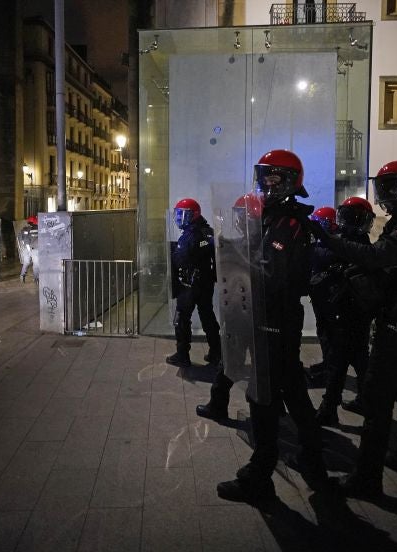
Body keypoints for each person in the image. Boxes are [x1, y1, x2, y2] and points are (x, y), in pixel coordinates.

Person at [311, 160, 397, 498]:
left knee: (378, 399)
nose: (386, 195)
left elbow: (375, 256)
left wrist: (329, 240)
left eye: (390, 188)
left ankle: (367, 478)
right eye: (383, 188)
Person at [217, 149, 328, 503]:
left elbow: (272, 273)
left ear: (292, 181)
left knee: (263, 398)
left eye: (276, 177)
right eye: (264, 176)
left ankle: (259, 476)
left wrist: (237, 262)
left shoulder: (288, 223)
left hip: (275, 320)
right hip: (272, 318)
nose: (268, 183)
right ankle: (313, 462)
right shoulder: (275, 218)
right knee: (293, 392)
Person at [196, 193, 262, 421]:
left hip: (244, 314)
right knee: (256, 365)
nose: (238, 220)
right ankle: (265, 407)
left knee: (230, 365)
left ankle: (220, 405)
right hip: (253, 314)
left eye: (241, 215)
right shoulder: (256, 240)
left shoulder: (256, 243)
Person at [312, 196, 377, 425]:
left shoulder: (341, 244)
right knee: (359, 359)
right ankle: (365, 401)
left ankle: (329, 408)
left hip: (343, 313)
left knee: (337, 361)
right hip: (357, 313)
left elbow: (320, 256)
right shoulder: (367, 247)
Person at [166, 198, 221, 369]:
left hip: (189, 286)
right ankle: (216, 353)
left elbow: (181, 258)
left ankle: (182, 355)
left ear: (194, 215)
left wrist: (173, 253)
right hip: (205, 284)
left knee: (182, 319)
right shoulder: (208, 232)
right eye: (179, 214)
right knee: (207, 316)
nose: (180, 219)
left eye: (184, 215)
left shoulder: (191, 235)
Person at [307, 206, 339, 386]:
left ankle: (330, 370)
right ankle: (328, 364)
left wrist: (309, 248)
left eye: (322, 223)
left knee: (331, 335)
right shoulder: (323, 241)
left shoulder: (334, 242)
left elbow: (323, 256)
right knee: (323, 332)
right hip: (321, 294)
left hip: (330, 296)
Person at [18, 216, 39, 283]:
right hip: (34, 249)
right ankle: (36, 279)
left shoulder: (24, 229)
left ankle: (22, 276)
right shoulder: (36, 228)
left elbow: (20, 238)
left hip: (26, 249)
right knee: (36, 264)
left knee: (26, 263)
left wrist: (25, 245)